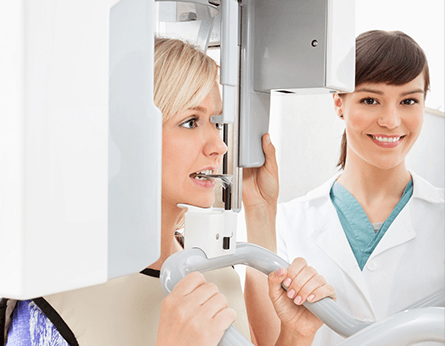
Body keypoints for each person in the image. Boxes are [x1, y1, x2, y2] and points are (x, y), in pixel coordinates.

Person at [3, 37, 335, 346]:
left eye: (215, 122)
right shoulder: (54, 298)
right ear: (129, 134)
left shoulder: (220, 274)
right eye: (191, 121)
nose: (219, 145)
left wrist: (294, 336)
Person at [244, 30, 444, 345]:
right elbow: (267, 341)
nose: (391, 120)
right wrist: (259, 211)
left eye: (408, 101)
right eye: (370, 99)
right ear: (339, 102)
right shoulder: (286, 224)